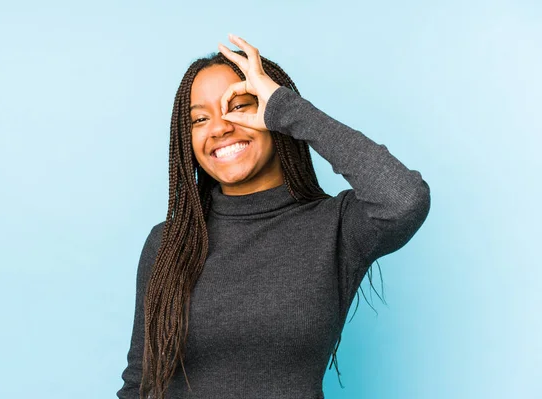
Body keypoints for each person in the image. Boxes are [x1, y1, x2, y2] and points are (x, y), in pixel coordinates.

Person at [117, 33, 431, 399]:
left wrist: (288, 109)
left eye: (238, 106)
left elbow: (403, 199)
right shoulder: (168, 242)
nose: (219, 128)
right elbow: (140, 382)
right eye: (199, 119)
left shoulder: (335, 228)